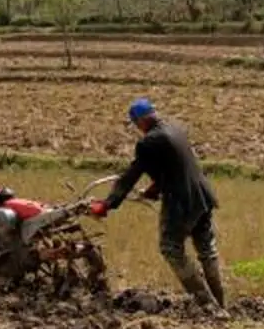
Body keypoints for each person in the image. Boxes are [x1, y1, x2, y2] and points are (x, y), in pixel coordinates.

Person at [89, 97, 226, 312]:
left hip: (181, 201)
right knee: (207, 250)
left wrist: (107, 204)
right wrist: (154, 189)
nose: (136, 129)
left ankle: (209, 307)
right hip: (202, 195)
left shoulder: (148, 142)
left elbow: (132, 174)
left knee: (170, 247)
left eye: (135, 124)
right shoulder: (175, 129)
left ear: (141, 121)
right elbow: (174, 165)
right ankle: (221, 304)